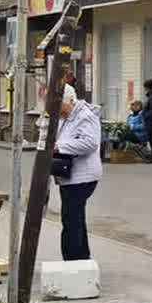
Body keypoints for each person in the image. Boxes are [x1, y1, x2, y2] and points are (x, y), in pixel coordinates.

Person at [53, 83, 102, 260]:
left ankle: (73, 260)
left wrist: (59, 146)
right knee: (74, 218)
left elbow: (90, 143)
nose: (55, 109)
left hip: (82, 177)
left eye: (58, 105)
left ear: (69, 101)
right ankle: (80, 258)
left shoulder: (85, 116)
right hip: (70, 176)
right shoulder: (65, 117)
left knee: (71, 219)